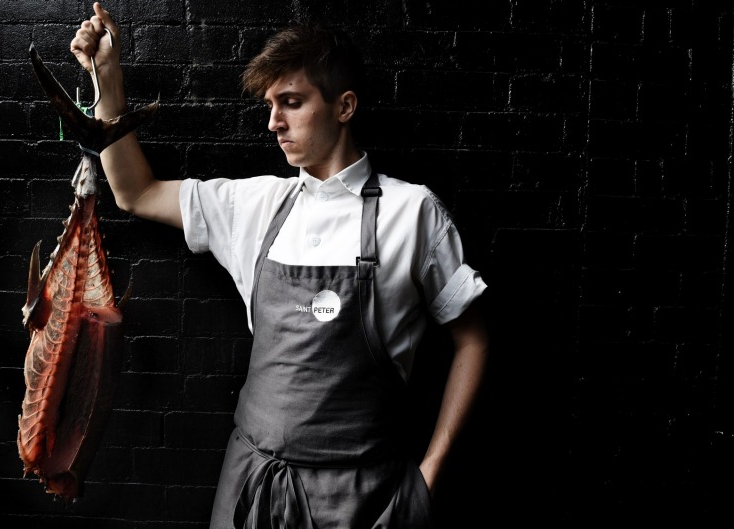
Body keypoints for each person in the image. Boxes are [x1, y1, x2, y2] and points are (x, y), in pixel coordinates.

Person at [71, 3, 489, 527]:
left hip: (363, 497)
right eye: (270, 105)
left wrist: (428, 477)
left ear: (344, 106)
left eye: (291, 103)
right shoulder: (256, 205)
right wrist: (106, 78)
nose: (273, 122)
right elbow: (135, 192)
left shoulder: (413, 213)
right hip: (251, 485)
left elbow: (473, 339)